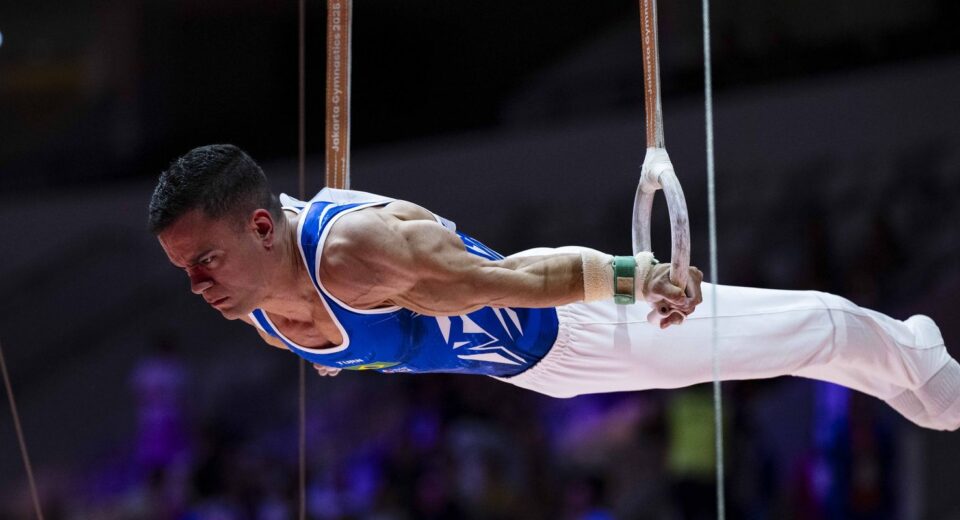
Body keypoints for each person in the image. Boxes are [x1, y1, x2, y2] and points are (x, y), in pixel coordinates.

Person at [148, 144, 960, 431]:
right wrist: (334, 357)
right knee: (805, 349)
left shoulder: (356, 256)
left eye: (204, 263)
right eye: (183, 268)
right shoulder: (255, 306)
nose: (194, 287)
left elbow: (519, 275)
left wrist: (636, 277)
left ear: (261, 229)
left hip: (578, 327)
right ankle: (917, 379)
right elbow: (352, 346)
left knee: (817, 328)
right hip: (538, 375)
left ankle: (929, 367)